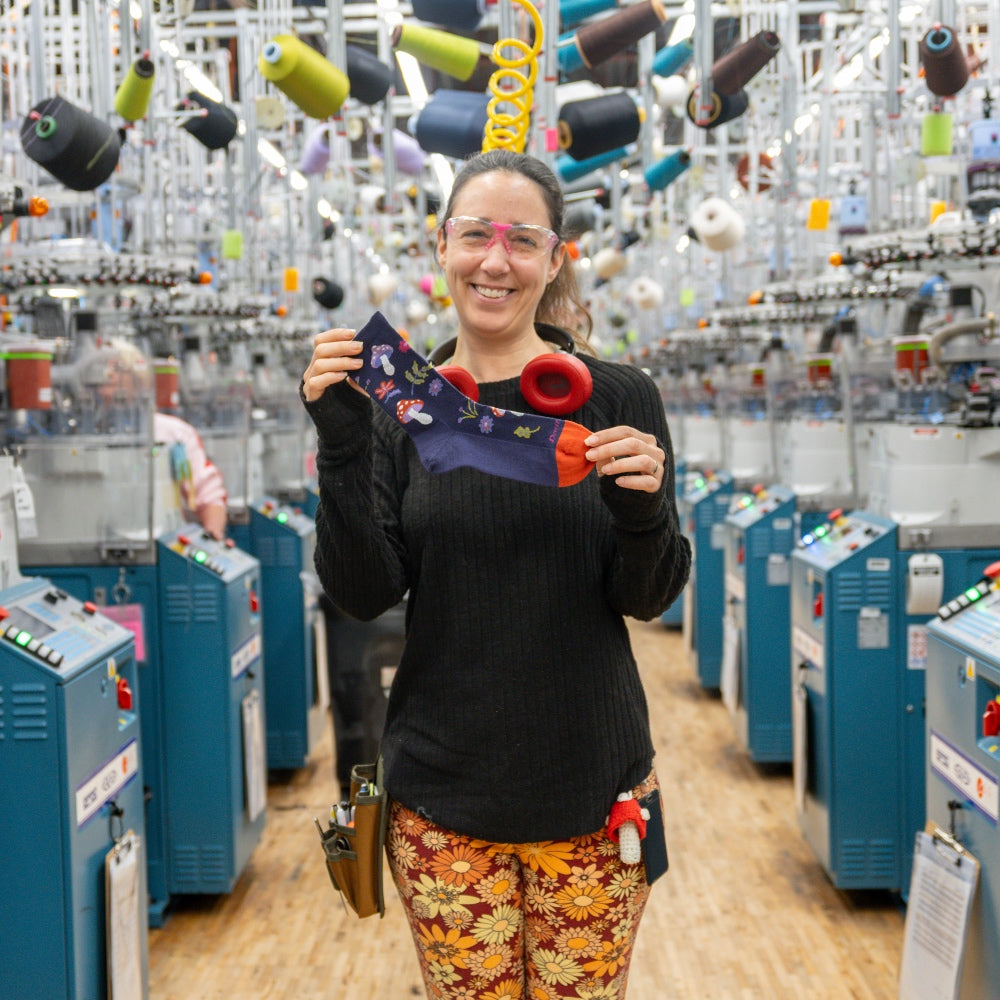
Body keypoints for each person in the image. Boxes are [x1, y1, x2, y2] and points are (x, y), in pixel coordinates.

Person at [301, 149, 691, 999]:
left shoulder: (619, 398)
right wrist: (341, 445)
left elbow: (650, 596)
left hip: (595, 795)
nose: (495, 260)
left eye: (523, 241)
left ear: (556, 259)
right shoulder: (395, 408)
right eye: (476, 234)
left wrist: (642, 509)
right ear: (441, 246)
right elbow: (364, 593)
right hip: (443, 799)